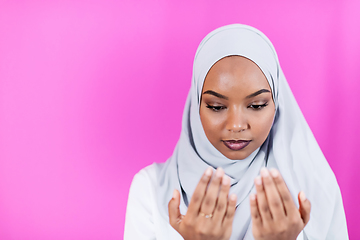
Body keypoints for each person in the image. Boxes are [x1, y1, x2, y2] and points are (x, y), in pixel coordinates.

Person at [124, 24, 348, 240]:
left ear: (277, 104)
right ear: (196, 107)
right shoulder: (151, 190)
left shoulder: (315, 187)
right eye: (217, 107)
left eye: (257, 105)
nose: (237, 125)